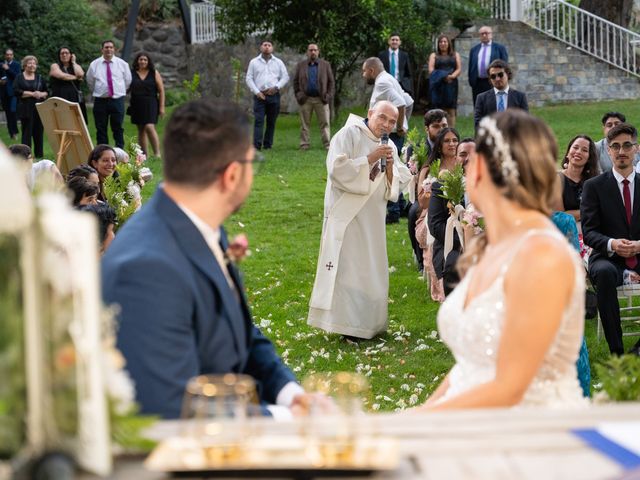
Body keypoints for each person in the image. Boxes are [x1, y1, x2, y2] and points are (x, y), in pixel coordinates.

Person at [102, 99, 306, 418]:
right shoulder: (145, 270)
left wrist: (290, 394)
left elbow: (238, 331)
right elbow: (174, 412)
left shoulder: (202, 224)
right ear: (232, 175)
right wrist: (289, 420)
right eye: (254, 163)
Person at [419, 110, 586, 410]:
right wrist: (418, 414)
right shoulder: (493, 246)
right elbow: (470, 367)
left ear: (479, 167)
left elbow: (510, 387)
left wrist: (414, 425)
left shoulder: (541, 255)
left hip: (528, 434)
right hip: (476, 420)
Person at [307, 101, 411, 339]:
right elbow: (337, 169)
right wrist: (370, 158)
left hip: (373, 219)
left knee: (370, 268)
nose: (386, 125)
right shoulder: (348, 134)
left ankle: (369, 323)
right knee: (350, 269)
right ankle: (348, 326)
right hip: (348, 215)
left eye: (392, 121)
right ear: (370, 114)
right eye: (382, 118)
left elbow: (396, 184)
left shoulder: (390, 146)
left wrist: (392, 169)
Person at [581, 123, 640, 357]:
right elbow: (590, 230)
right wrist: (613, 244)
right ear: (608, 151)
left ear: (636, 149)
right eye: (615, 146)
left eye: (627, 145)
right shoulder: (594, 186)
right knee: (604, 273)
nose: (621, 151)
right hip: (608, 257)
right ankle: (617, 353)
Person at [362, 57, 414, 224]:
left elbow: (400, 103)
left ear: (371, 70)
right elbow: (409, 101)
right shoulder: (388, 78)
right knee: (394, 165)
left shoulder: (382, 82)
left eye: (364, 71)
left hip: (388, 133)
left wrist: (399, 126)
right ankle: (400, 206)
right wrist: (404, 122)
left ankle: (393, 212)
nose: (364, 75)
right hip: (391, 131)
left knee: (388, 167)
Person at [407, 109, 448, 276]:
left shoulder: (451, 144)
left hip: (447, 193)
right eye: (436, 126)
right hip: (424, 193)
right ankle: (419, 255)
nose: (441, 130)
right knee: (412, 213)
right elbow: (412, 175)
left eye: (444, 125)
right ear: (427, 129)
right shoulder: (417, 148)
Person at [426, 128, 462, 295]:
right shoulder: (436, 177)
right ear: (439, 146)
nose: (452, 144)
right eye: (447, 141)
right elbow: (434, 222)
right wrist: (461, 240)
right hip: (451, 236)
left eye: (455, 140)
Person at [86, 40, 132, 148]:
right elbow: (90, 81)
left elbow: (128, 80)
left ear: (114, 49)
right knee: (101, 127)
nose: (109, 49)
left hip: (117, 100)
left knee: (118, 126)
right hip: (100, 100)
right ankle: (102, 151)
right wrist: (98, 91)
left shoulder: (122, 64)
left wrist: (119, 91)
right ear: (102, 49)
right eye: (106, 47)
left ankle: (120, 150)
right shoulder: (94, 64)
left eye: (111, 47)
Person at [245, 40, 289, 150]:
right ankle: (256, 145)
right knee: (259, 120)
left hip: (274, 95)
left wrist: (276, 87)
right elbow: (249, 78)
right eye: (265, 45)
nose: (267, 47)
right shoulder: (254, 62)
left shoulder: (278, 62)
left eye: (269, 45)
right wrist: (257, 92)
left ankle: (268, 145)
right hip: (260, 95)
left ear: (272, 48)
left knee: (271, 121)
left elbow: (285, 77)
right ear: (261, 47)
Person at [292, 43, 334, 151]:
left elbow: (331, 82)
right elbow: (295, 82)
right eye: (310, 50)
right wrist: (298, 95)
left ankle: (327, 144)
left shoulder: (325, 65)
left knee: (325, 123)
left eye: (315, 50)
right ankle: (304, 144)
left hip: (321, 99)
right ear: (307, 52)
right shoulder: (301, 65)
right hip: (305, 99)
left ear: (318, 51)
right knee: (304, 124)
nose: (313, 52)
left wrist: (328, 96)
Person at [473, 59, 528, 130]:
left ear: (508, 74)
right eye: (493, 76)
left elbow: (525, 123)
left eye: (500, 75)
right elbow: (478, 125)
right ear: (490, 79)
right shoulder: (481, 98)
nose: (497, 79)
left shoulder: (520, 97)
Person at [129, 52, 165, 157]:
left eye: (145, 60)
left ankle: (157, 153)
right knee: (141, 129)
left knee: (149, 126)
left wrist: (162, 107)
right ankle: (144, 155)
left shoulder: (154, 73)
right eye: (141, 59)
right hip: (136, 103)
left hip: (151, 103)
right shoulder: (131, 73)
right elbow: (126, 87)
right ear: (137, 61)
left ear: (148, 61)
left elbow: (161, 90)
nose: (143, 61)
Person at [13, 55, 48, 158]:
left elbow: (46, 92)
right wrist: (31, 94)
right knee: (26, 133)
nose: (32, 65)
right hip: (25, 109)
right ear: (24, 65)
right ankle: (25, 155)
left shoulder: (40, 78)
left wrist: (40, 94)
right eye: (29, 63)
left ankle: (39, 155)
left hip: (39, 108)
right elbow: (16, 91)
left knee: (38, 132)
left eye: (34, 63)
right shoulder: (19, 77)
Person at [559, 135, 599, 224]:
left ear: (589, 157)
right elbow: (560, 217)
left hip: (590, 231)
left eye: (584, 150)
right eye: (575, 147)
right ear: (568, 152)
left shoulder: (593, 181)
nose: (578, 152)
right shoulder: (557, 179)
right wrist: (590, 211)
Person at [468, 26, 508, 106]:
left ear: (491, 35)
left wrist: (502, 79)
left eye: (486, 33)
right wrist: (471, 80)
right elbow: (471, 66)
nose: (484, 35)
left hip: (494, 80)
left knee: (493, 106)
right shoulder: (474, 49)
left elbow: (505, 65)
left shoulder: (499, 48)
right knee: (478, 106)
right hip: (477, 82)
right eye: (482, 34)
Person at [428, 35, 461, 127]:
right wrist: (444, 76)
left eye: (445, 42)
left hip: (451, 84)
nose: (443, 44)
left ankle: (451, 131)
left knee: (451, 109)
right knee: (438, 109)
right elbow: (431, 70)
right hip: (438, 85)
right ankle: (439, 131)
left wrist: (451, 76)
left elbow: (458, 69)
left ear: (448, 43)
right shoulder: (434, 55)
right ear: (438, 44)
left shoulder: (455, 55)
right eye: (441, 42)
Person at [49, 46, 87, 121]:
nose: (64, 55)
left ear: (71, 55)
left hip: (74, 98)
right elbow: (61, 76)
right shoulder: (55, 66)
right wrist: (76, 77)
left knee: (77, 122)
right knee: (62, 122)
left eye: (67, 53)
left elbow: (80, 74)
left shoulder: (75, 66)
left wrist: (74, 62)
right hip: (60, 98)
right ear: (59, 56)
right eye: (62, 53)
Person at [1, 49, 21, 140]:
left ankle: (15, 132)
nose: (9, 56)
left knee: (13, 111)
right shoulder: (0, 65)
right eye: (7, 54)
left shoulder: (16, 65)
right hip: (3, 92)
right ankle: (11, 133)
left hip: (13, 93)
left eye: (10, 55)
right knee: (8, 113)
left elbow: (17, 76)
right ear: (5, 55)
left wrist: (8, 69)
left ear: (13, 56)